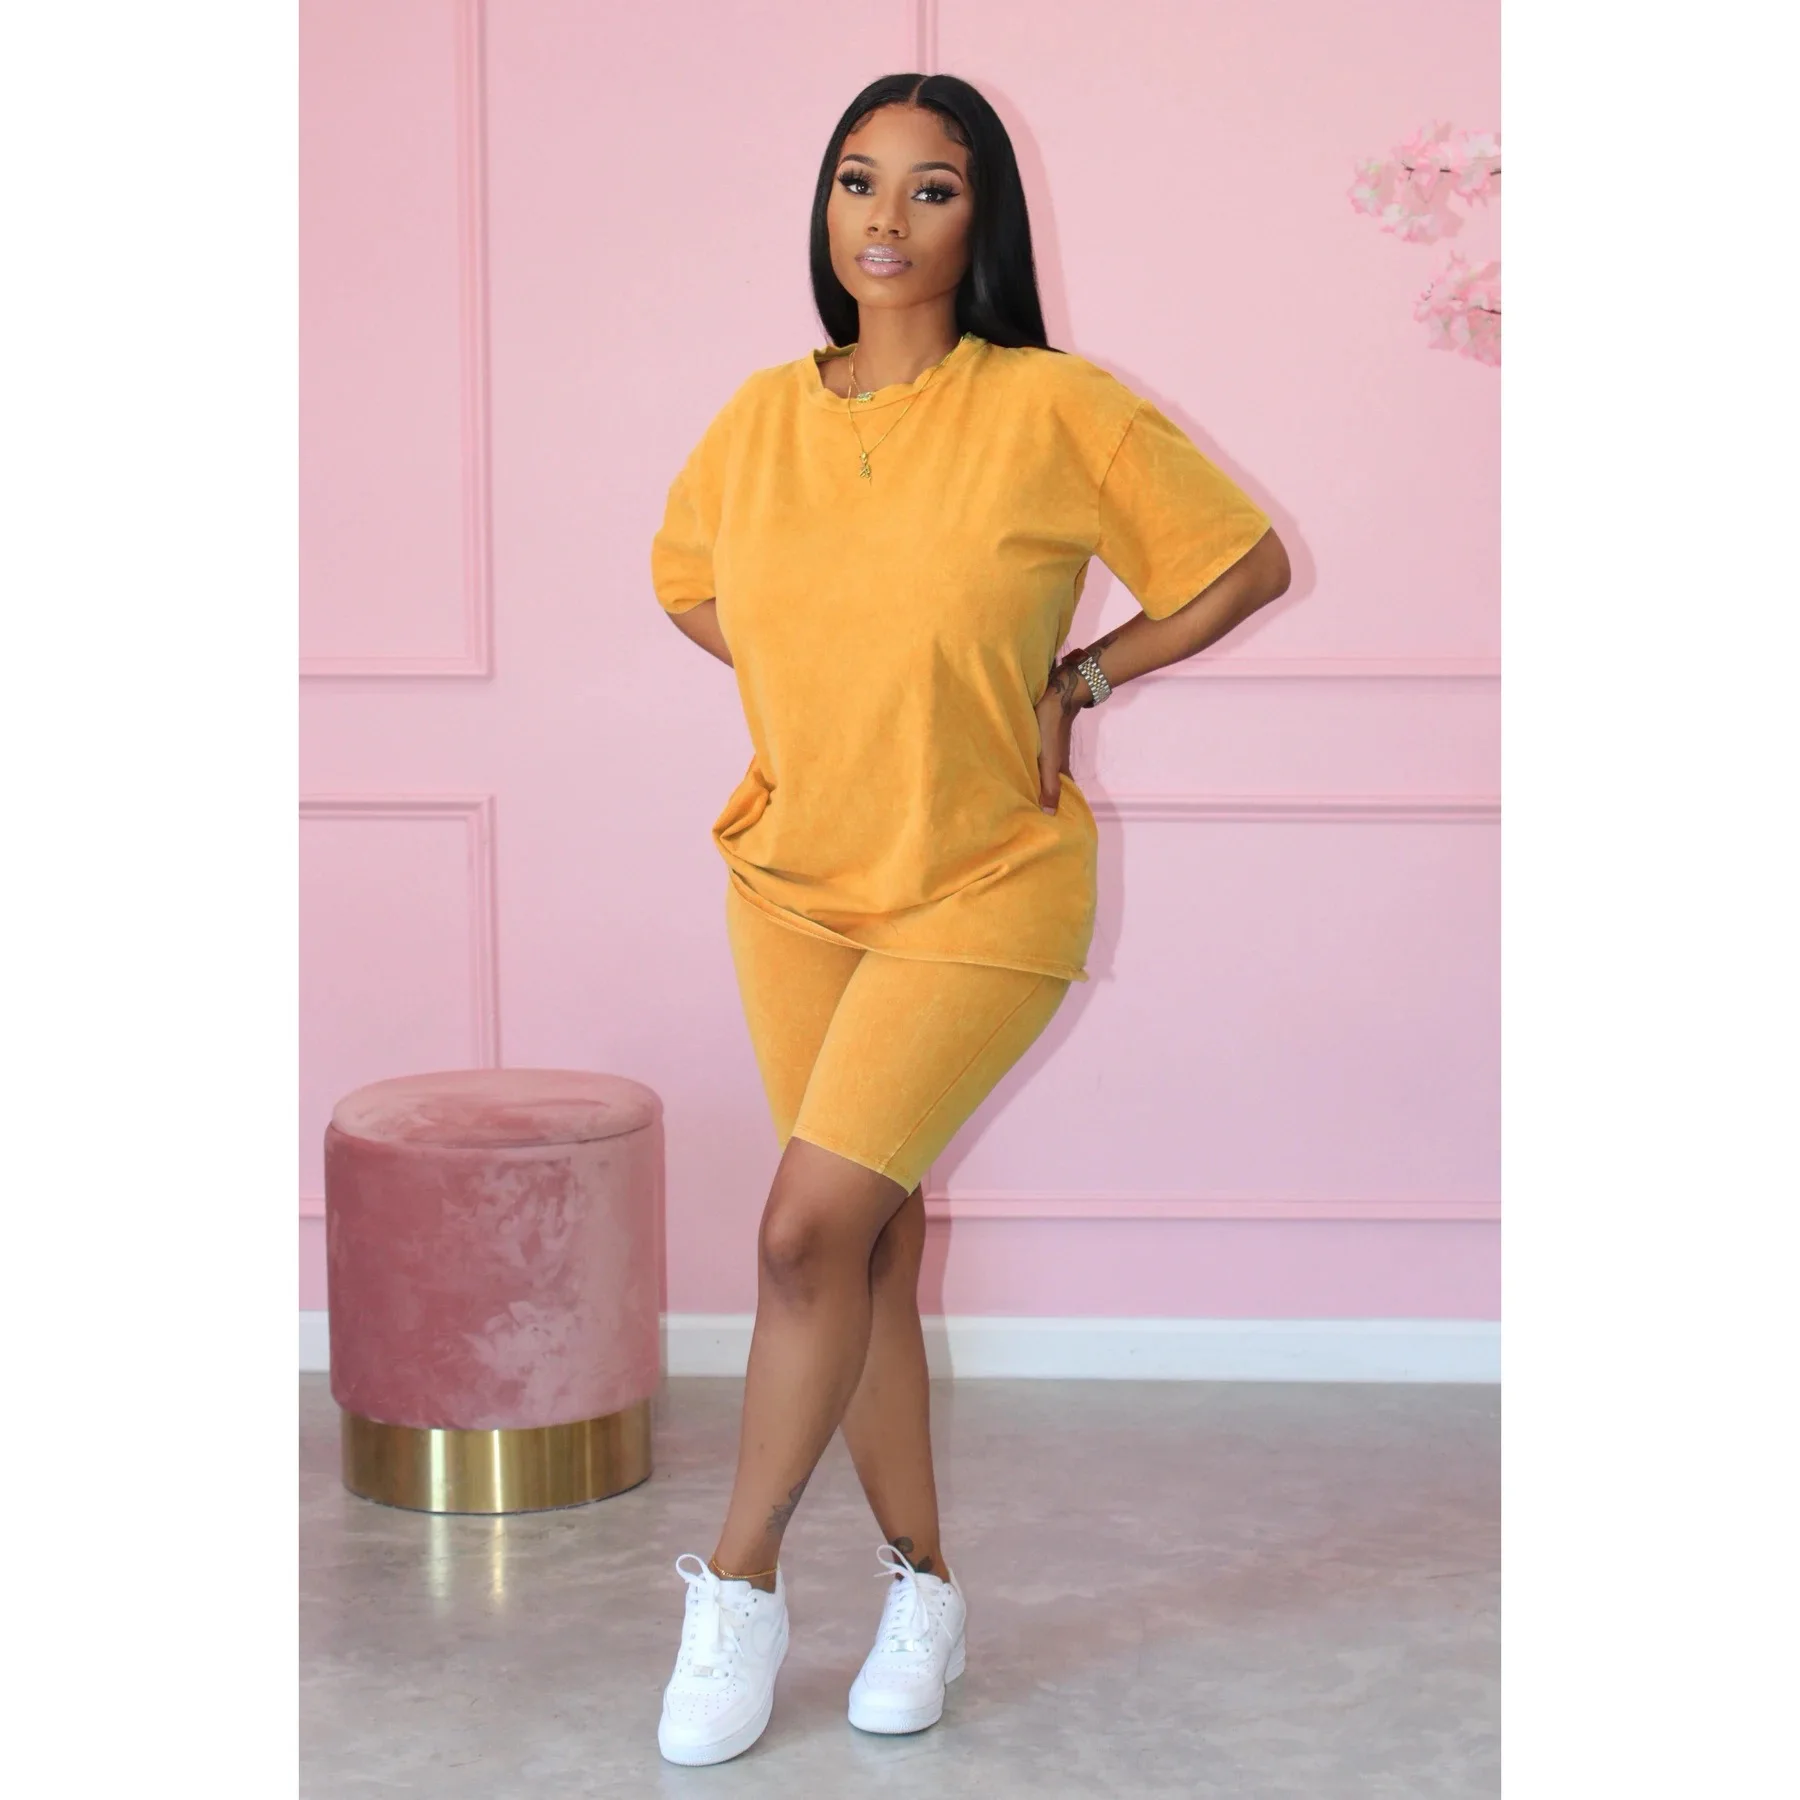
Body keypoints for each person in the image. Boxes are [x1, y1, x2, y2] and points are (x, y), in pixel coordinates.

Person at [647, 72, 1291, 1766]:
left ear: (981, 219)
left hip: (985, 883)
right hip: (793, 882)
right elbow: (694, 586)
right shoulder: (758, 418)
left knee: (801, 1236)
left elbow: (1241, 563)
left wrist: (1081, 674)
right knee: (867, 1245)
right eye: (857, 182)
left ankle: (738, 1584)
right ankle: (923, 1589)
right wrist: (839, 690)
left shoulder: (1052, 406)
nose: (885, 218)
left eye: (931, 189)